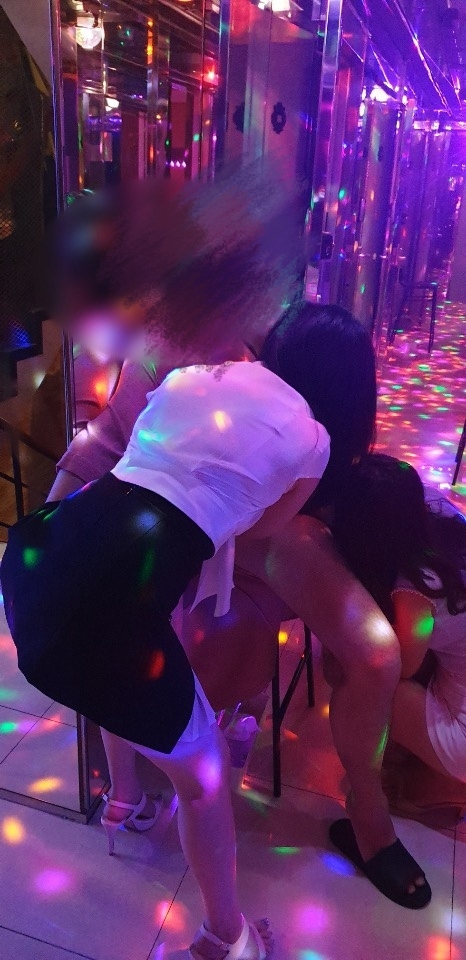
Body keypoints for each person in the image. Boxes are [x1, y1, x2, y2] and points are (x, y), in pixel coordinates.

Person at [2, 179, 334, 960]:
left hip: (39, 557)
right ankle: (226, 937)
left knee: (131, 652)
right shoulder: (307, 435)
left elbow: (113, 458)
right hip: (107, 604)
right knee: (203, 774)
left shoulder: (175, 375)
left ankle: (124, 800)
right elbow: (255, 531)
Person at [53, 288, 431, 909]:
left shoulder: (273, 358)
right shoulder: (187, 359)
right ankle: (364, 817)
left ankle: (369, 813)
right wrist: (59, 504)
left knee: (377, 655)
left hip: (275, 524)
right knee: (373, 650)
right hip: (237, 531)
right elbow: (109, 439)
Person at [329, 453, 466, 813]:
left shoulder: (416, 586)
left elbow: (400, 669)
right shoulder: (446, 521)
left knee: (366, 680)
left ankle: (436, 785)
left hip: (463, 741)